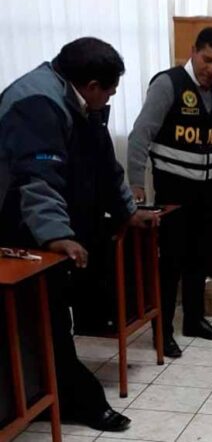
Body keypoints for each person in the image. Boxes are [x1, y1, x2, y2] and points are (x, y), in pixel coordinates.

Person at [0, 37, 160, 431]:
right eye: (110, 92)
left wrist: (129, 212)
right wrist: (58, 235)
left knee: (58, 316)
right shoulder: (37, 102)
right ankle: (78, 400)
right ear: (91, 86)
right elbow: (36, 180)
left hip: (59, 225)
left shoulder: (80, 102)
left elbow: (106, 166)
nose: (110, 100)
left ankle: (50, 393)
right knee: (46, 319)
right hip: (24, 230)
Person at [127, 27, 212, 358]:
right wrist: (136, 183)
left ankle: (194, 320)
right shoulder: (168, 84)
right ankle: (162, 332)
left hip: (209, 190)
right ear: (193, 51)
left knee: (199, 258)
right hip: (173, 190)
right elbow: (140, 136)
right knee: (170, 263)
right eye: (207, 60)